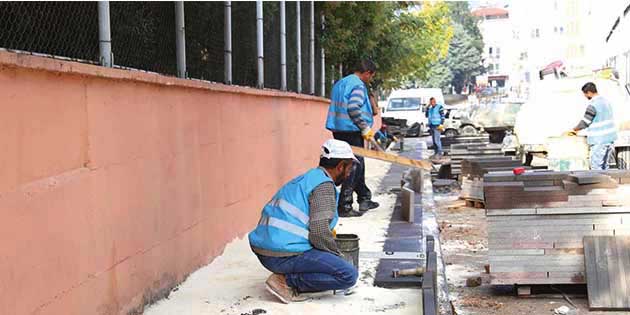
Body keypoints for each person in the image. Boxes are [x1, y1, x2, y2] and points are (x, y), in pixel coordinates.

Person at [248, 139, 359, 303]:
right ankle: (285, 281)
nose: (349, 173)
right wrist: (337, 255)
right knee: (348, 275)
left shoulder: (309, 177)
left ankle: (287, 276)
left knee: (331, 260)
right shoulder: (324, 186)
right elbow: (319, 232)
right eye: (349, 167)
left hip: (266, 248)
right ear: (341, 166)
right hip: (282, 254)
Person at [325, 59, 380, 217]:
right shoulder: (357, 85)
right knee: (354, 166)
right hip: (351, 130)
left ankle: (364, 197)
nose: (370, 79)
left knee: (357, 165)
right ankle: (344, 205)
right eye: (371, 76)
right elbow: (353, 107)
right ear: (367, 73)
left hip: (339, 129)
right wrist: (364, 127)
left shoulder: (340, 83)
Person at [567, 82, 618, 170]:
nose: (585, 96)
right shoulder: (606, 102)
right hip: (609, 140)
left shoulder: (593, 105)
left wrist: (574, 130)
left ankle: (598, 184)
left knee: (596, 168)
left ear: (589, 93)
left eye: (585, 94)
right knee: (605, 167)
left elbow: (585, 122)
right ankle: (606, 183)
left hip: (599, 141)